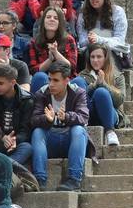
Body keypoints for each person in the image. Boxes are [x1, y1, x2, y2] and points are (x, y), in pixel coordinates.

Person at [29, 64, 88, 192]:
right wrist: (47, 119)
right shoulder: (42, 93)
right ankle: (39, 180)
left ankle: (74, 179)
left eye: (56, 80)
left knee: (79, 130)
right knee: (38, 132)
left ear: (66, 80)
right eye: (49, 79)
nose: (51, 84)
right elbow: (33, 120)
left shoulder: (78, 93)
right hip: (51, 140)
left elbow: (83, 117)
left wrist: (66, 117)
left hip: (70, 141)